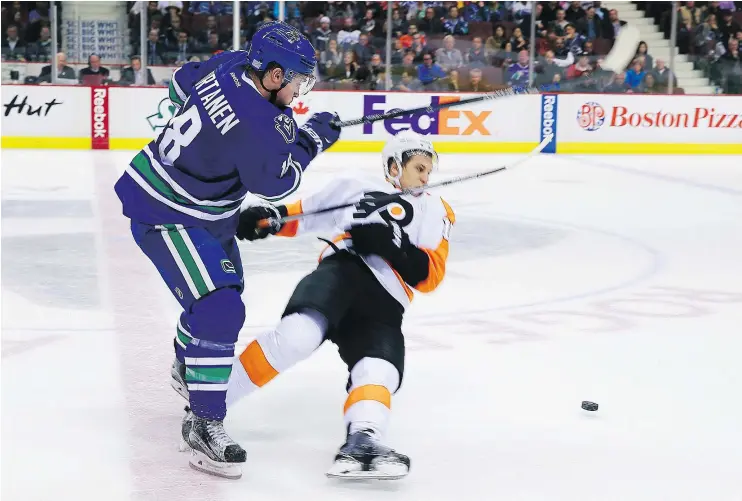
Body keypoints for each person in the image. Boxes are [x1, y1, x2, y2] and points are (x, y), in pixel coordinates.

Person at [113, 21, 341, 480]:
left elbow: (182, 84)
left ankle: (187, 364)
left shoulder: (233, 63)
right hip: (170, 213)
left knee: (219, 300)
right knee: (220, 308)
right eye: (297, 82)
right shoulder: (263, 124)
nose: (299, 92)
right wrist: (311, 140)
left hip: (200, 206)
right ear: (273, 75)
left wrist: (212, 145)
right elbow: (276, 184)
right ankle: (204, 422)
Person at [224, 130, 455, 479]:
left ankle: (363, 438)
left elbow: (430, 275)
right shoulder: (355, 187)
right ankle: (211, 403)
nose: (425, 176)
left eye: (429, 170)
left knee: (380, 371)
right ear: (394, 166)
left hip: (386, 302)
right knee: (296, 337)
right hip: (340, 274)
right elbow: (305, 213)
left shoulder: (436, 208)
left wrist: (392, 247)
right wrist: (269, 218)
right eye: (419, 167)